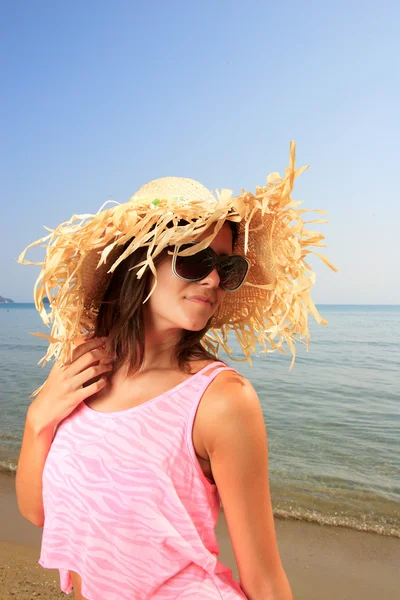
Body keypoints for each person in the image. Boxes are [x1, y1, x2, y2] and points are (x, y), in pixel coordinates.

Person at [15, 142, 337, 600]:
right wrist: (37, 419)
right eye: (194, 259)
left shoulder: (221, 400)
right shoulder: (80, 372)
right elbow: (38, 511)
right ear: (140, 262)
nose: (211, 279)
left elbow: (264, 579)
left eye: (225, 267)